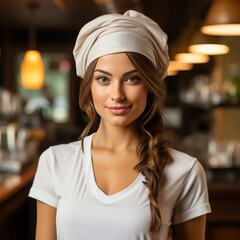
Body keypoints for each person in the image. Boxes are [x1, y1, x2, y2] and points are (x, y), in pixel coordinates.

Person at [29, 10, 211, 240]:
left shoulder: (185, 171)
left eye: (132, 79)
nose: (117, 95)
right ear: (89, 87)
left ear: (149, 86)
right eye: (103, 79)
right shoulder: (54, 163)